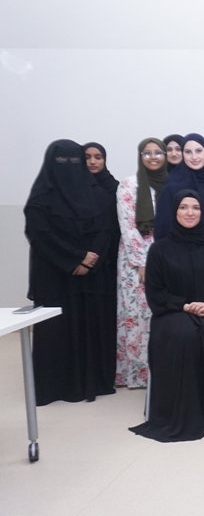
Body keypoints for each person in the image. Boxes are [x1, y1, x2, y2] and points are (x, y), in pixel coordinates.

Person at [129, 190, 204, 442]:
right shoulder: (160, 249)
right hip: (174, 310)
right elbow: (156, 293)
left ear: (203, 213)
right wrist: (186, 305)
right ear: (174, 212)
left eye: (195, 208)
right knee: (183, 335)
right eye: (183, 207)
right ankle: (180, 410)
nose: (190, 213)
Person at [25, 140, 115, 405]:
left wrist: (89, 261)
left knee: (91, 327)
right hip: (55, 276)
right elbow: (40, 235)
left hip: (92, 274)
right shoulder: (41, 199)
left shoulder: (98, 195)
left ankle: (93, 382)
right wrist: (74, 258)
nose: (69, 167)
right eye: (61, 162)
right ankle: (55, 387)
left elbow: (107, 229)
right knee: (56, 331)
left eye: (74, 161)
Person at [115, 138, 168, 388]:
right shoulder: (128, 185)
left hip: (165, 257)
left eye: (159, 152)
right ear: (140, 156)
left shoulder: (170, 183)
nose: (154, 157)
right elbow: (127, 226)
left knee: (159, 313)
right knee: (137, 316)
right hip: (136, 263)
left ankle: (163, 369)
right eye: (147, 153)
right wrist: (142, 261)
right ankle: (138, 374)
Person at [83, 141, 121, 373]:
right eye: (87, 157)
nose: (93, 161)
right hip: (79, 258)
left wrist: (96, 255)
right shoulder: (74, 186)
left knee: (105, 313)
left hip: (107, 258)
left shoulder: (114, 187)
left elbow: (113, 225)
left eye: (98, 157)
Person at [154, 134, 204, 240]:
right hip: (178, 248)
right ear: (183, 154)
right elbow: (163, 224)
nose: (194, 157)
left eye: (199, 151)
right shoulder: (172, 184)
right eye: (188, 152)